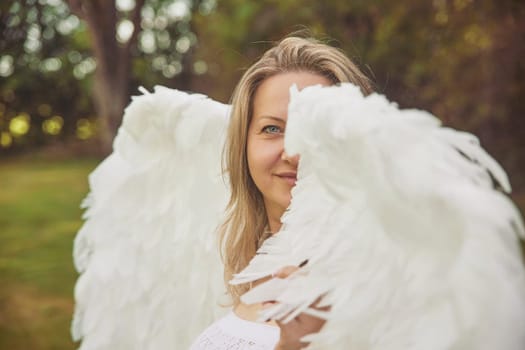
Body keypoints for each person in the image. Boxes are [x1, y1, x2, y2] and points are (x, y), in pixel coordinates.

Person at [190, 35, 373, 350]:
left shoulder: (377, 290)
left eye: (316, 130)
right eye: (272, 129)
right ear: (244, 145)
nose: (293, 153)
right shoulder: (236, 276)